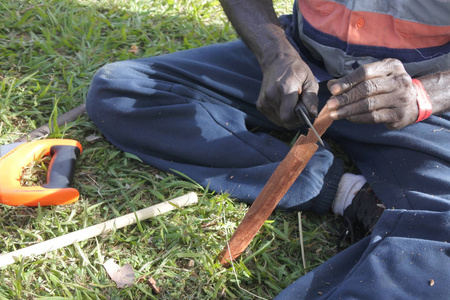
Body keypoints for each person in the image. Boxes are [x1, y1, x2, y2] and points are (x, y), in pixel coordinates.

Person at [86, 0, 450, 298]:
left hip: (414, 100)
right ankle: (347, 193)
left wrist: (425, 95)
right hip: (302, 66)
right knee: (122, 90)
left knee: (440, 238)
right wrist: (274, 53)